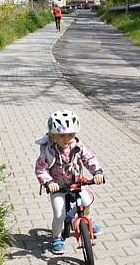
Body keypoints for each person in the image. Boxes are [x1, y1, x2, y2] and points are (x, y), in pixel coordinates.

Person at [35, 109, 105, 255]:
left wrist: (97, 172)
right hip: (58, 187)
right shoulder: (49, 151)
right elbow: (40, 169)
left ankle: (87, 221)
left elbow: (89, 159)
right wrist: (48, 183)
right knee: (59, 213)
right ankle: (56, 238)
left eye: (71, 135)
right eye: (61, 135)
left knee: (87, 202)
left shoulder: (78, 147)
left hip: (77, 184)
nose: (66, 139)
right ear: (53, 135)